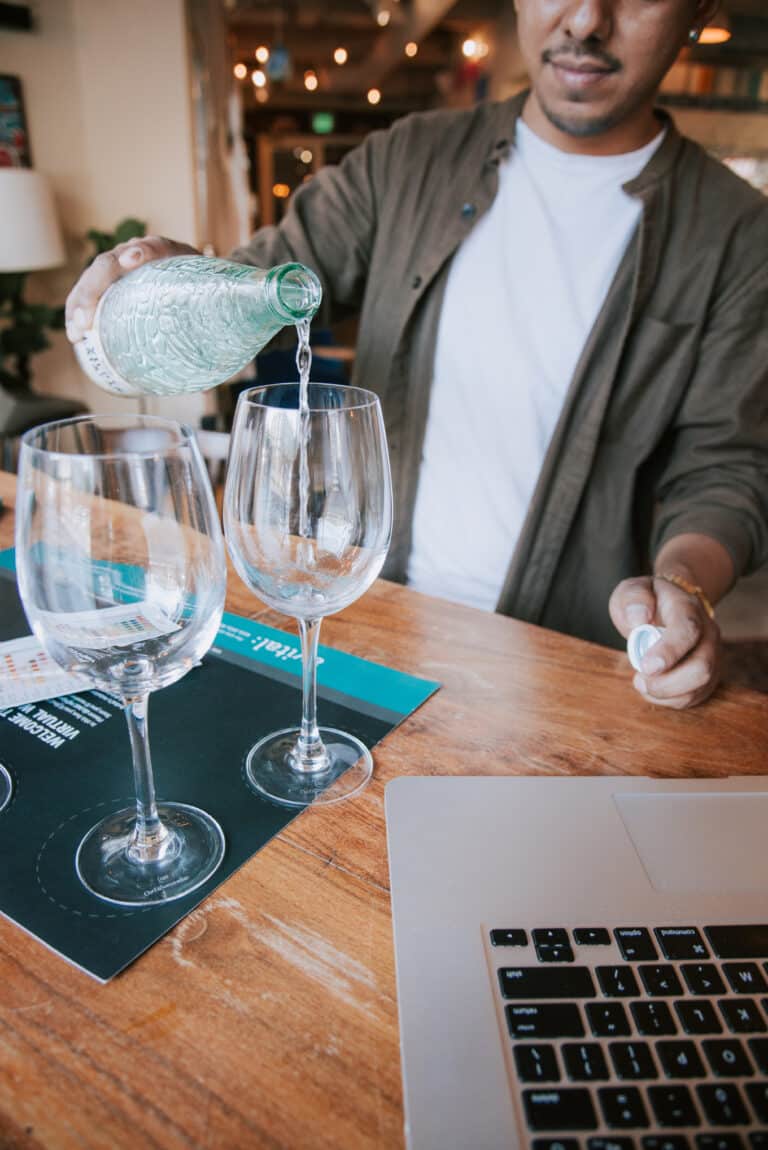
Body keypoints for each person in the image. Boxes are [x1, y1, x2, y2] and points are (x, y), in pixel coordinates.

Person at [65, 0, 768, 711]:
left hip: (562, 659)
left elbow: (730, 464)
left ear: (700, 9)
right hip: (369, 623)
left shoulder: (736, 234)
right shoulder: (406, 158)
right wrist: (170, 277)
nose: (586, 21)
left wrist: (681, 586)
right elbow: (268, 284)